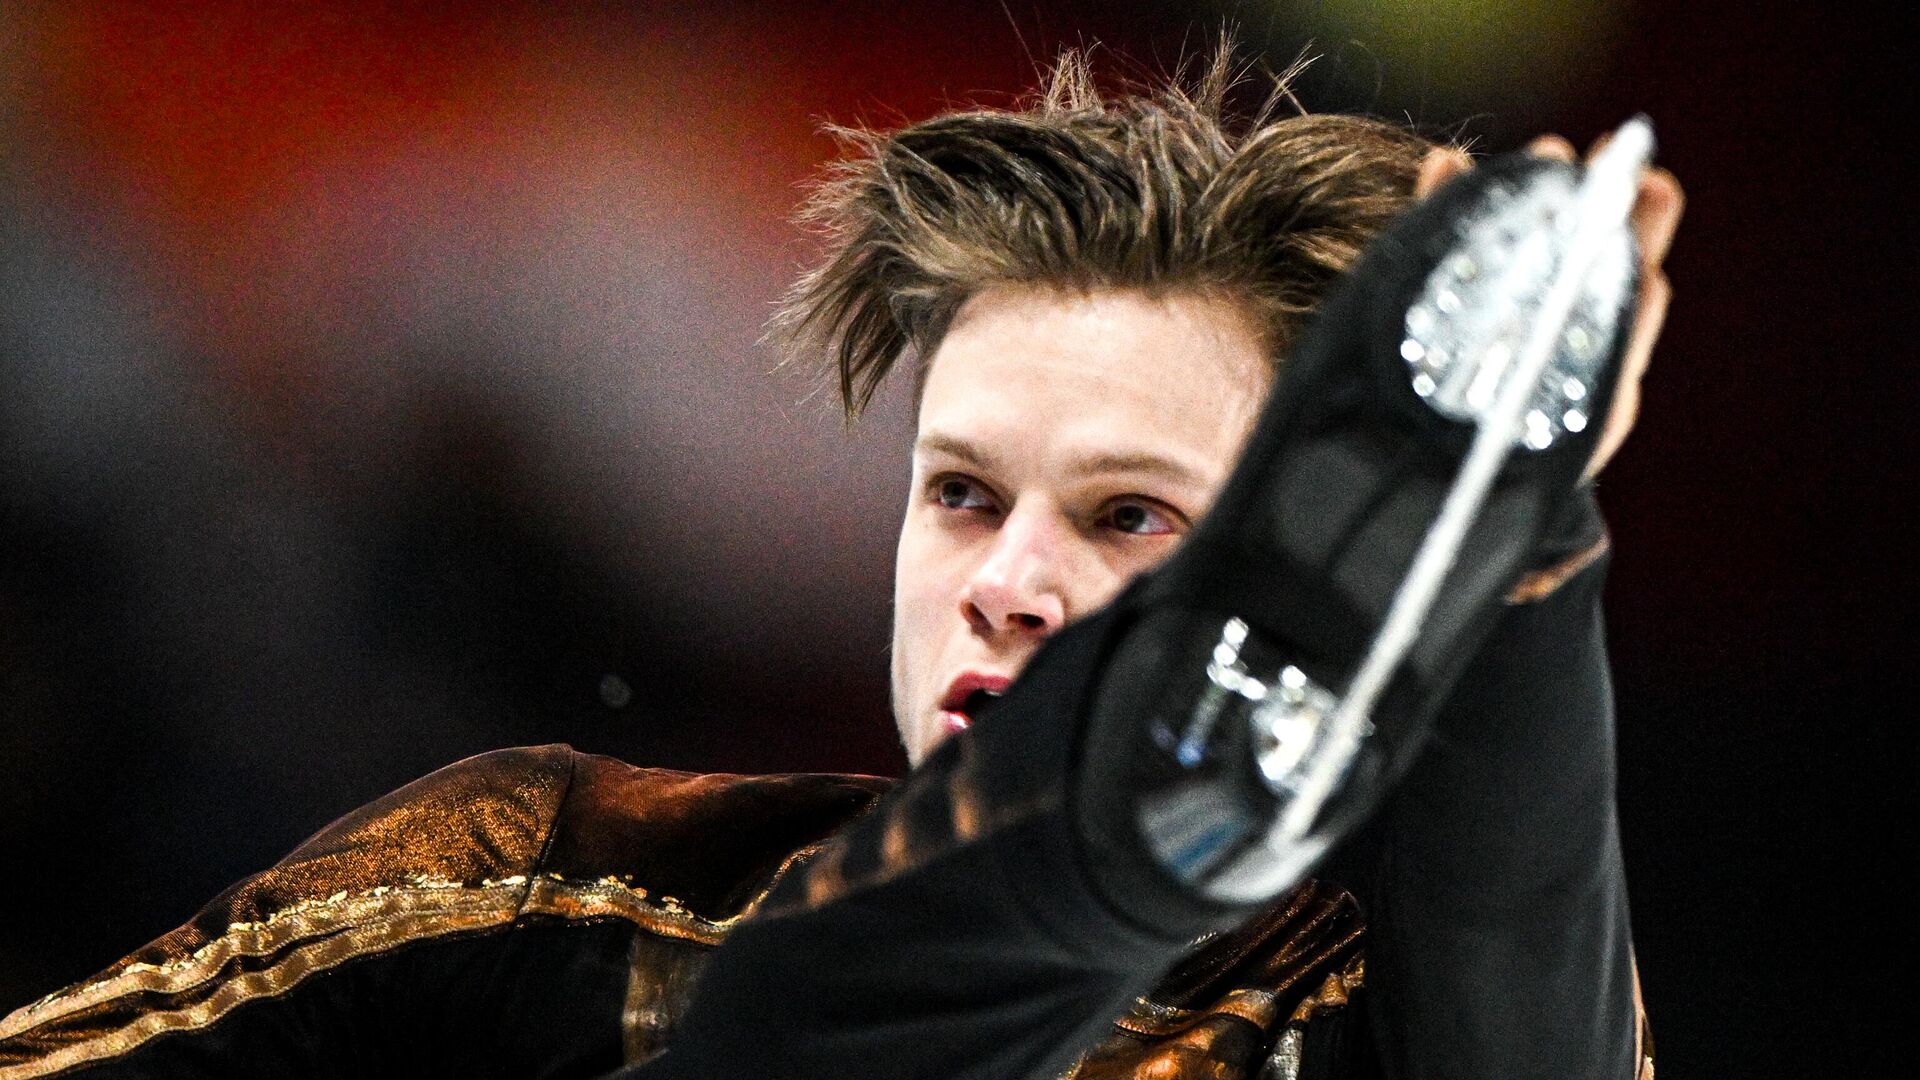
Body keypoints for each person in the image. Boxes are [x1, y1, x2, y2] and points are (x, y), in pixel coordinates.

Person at [0, 48, 1682, 1080]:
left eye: (1130, 516)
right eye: (962, 496)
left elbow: (1519, 971)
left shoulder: (1341, 1016)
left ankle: (1447, 568)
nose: (1007, 581)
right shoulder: (529, 889)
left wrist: (1521, 547)